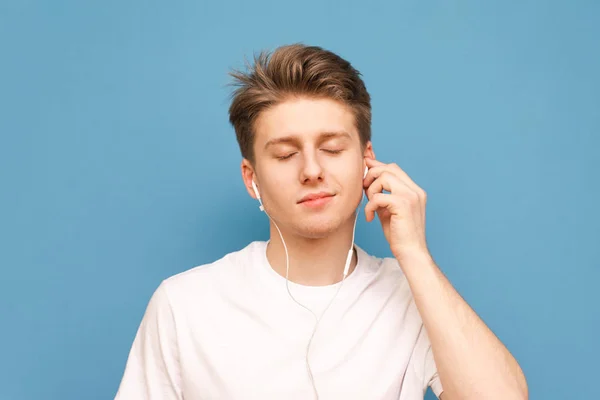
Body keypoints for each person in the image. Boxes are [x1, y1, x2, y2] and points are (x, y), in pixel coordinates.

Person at [115, 44, 528, 400]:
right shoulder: (186, 304)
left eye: (331, 148)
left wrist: (414, 254)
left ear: (366, 160)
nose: (312, 170)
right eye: (284, 154)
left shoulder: (412, 297)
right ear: (251, 178)